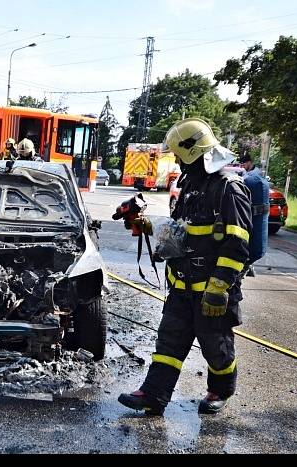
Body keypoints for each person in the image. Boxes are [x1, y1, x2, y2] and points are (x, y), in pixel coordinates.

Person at [118, 118, 252, 416]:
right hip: (181, 285)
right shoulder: (190, 184)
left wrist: (219, 288)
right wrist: (148, 225)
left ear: (196, 152)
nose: (177, 160)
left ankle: (221, 389)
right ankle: (154, 394)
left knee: (215, 347)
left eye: (180, 154)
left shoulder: (229, 188)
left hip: (212, 290)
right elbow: (183, 232)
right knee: (169, 341)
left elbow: (238, 243)